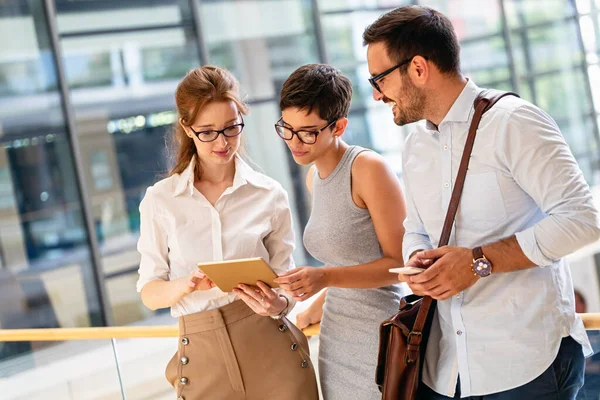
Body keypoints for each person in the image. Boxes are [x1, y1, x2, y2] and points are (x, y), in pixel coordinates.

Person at [363, 5, 600, 399]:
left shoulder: (514, 122)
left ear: (418, 69)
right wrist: (419, 257)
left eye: (380, 78)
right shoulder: (415, 145)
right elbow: (416, 228)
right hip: (445, 368)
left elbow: (583, 219)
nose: (375, 94)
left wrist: (477, 262)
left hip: (528, 363)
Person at [136, 65, 318, 400]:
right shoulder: (160, 200)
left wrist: (277, 302)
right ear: (187, 129)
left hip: (272, 351)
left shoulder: (269, 194)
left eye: (231, 128)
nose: (222, 142)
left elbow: (286, 279)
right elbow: (149, 291)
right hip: (202, 357)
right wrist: (185, 284)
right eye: (208, 131)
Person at [273, 64, 409, 400]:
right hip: (336, 340)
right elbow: (347, 264)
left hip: (380, 338)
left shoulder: (368, 169)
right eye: (287, 129)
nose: (295, 141)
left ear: (340, 126)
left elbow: (400, 264)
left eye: (308, 131)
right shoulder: (313, 179)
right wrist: (312, 305)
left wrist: (324, 278)